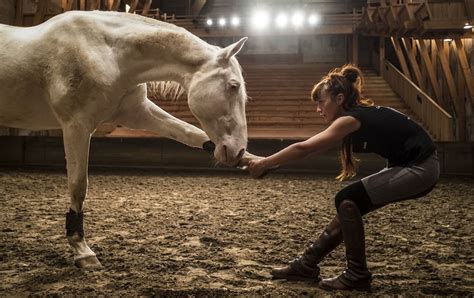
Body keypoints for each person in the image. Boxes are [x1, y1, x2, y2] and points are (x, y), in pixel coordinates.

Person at [247, 64, 440, 291]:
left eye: (321, 101)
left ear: (339, 99)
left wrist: (264, 162)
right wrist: (267, 161)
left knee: (347, 199)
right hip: (414, 166)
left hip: (420, 168)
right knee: (349, 203)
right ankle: (306, 264)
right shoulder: (355, 117)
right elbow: (310, 150)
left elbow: (304, 148)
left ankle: (357, 274)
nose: (318, 108)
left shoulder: (350, 119)